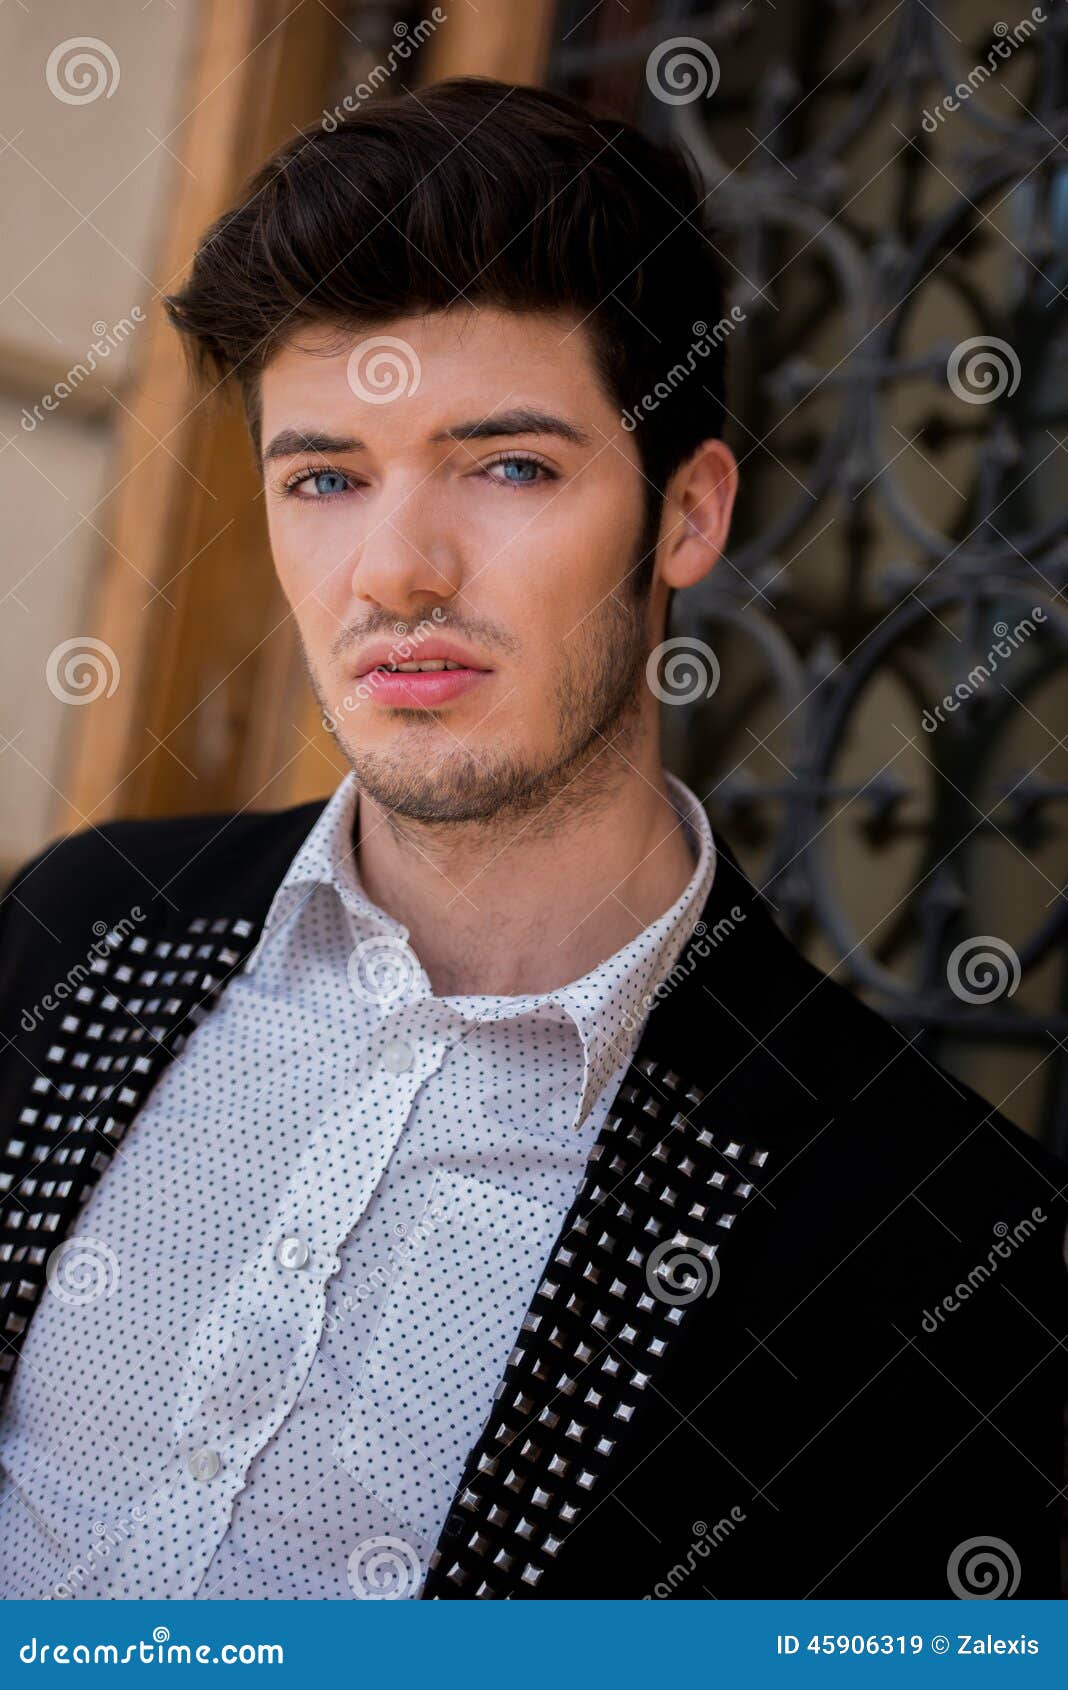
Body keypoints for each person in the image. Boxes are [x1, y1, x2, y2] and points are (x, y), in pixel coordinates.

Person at [0, 77, 1064, 1602]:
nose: (398, 571)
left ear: (685, 516)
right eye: (325, 477)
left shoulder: (932, 1227)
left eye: (509, 466)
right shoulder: (81, 926)